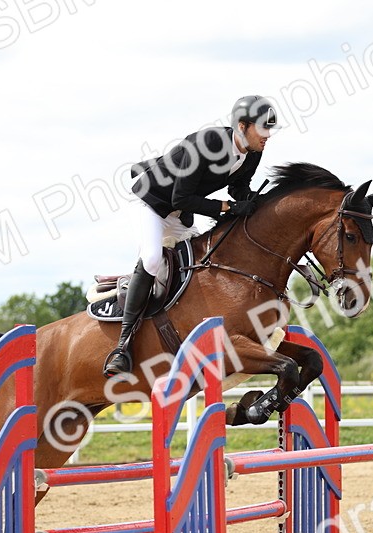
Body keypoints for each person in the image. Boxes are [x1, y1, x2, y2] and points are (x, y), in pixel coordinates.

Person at [103, 95, 280, 377]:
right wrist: (230, 208)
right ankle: (122, 347)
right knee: (151, 259)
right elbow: (181, 196)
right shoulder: (208, 143)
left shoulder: (253, 152)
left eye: (270, 129)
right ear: (243, 126)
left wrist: (257, 203)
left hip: (180, 214)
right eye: (262, 128)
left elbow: (238, 186)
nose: (268, 136)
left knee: (201, 261)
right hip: (153, 203)